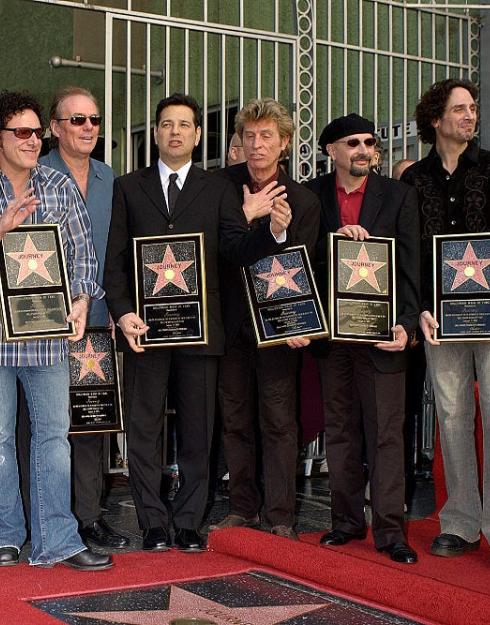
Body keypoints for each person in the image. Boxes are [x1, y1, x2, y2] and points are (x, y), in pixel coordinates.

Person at [104, 93, 291, 553]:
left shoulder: (217, 189)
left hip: (201, 333)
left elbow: (233, 249)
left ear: (198, 134)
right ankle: (151, 521)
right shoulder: (129, 187)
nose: (175, 132)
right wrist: (123, 311)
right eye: (166, 124)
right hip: (144, 332)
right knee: (144, 429)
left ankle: (187, 521)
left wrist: (270, 233)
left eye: (184, 125)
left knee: (197, 430)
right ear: (155, 133)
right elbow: (115, 261)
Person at [0, 90, 112, 571]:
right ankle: (3, 536)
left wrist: (81, 299)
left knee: (53, 438)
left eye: (36, 131)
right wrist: (1, 227)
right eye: (21, 132)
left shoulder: (58, 185)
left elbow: (84, 254)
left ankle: (58, 541)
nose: (33, 140)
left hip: (49, 334)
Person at [402, 78, 490, 565]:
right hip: (441, 323)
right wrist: (420, 312)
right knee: (452, 417)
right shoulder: (414, 180)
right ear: (436, 119)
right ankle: (458, 521)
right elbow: (410, 255)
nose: (469, 117)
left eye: (473, 108)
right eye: (459, 110)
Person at [304, 113, 421, 564]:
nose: (363, 150)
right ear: (331, 150)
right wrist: (334, 240)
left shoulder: (398, 196)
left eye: (369, 142)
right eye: (352, 143)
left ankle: (391, 531)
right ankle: (346, 522)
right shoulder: (311, 195)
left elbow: (411, 264)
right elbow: (299, 257)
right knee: (342, 431)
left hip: (382, 335)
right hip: (333, 336)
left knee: (387, 434)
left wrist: (408, 325)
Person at [210, 98, 320, 540]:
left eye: (267, 136)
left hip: (278, 333)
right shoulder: (220, 188)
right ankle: (241, 508)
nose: (256, 145)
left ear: (286, 143)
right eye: (249, 136)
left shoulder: (305, 201)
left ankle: (280, 516)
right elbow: (218, 253)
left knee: (279, 421)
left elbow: (306, 266)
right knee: (234, 419)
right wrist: (256, 222)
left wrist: (297, 324)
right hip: (230, 326)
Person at [34, 86, 129, 549]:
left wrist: (115, 307)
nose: (89, 127)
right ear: (54, 128)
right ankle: (44, 515)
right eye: (77, 120)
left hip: (98, 316)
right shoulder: (35, 174)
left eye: (94, 120)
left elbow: (118, 250)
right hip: (44, 320)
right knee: (45, 423)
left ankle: (89, 515)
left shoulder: (112, 179)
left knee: (92, 420)